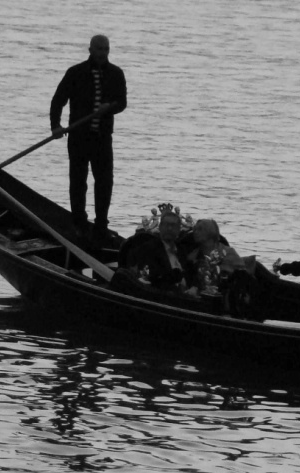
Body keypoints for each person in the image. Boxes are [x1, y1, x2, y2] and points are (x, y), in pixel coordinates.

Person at [50, 35, 127, 238]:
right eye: (99, 49)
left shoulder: (116, 74)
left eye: (106, 49)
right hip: (78, 138)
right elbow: (58, 100)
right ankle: (79, 222)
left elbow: (122, 102)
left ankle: (101, 224)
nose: (103, 53)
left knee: (104, 181)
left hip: (102, 139)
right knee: (78, 181)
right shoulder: (76, 73)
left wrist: (109, 107)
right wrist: (55, 126)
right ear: (90, 49)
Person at [118, 208, 193, 290]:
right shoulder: (148, 249)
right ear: (160, 227)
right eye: (166, 225)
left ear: (179, 229)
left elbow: (190, 274)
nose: (169, 228)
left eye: (173, 225)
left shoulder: (182, 250)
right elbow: (151, 277)